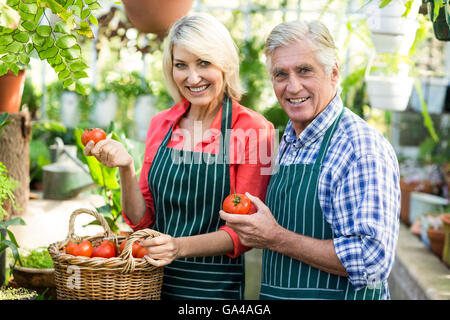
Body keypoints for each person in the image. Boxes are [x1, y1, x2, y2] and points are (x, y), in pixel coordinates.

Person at [84, 13, 274, 300]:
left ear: (225, 64)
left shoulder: (253, 129)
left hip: (211, 290)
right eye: (181, 65)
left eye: (204, 63)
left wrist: (178, 247)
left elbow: (244, 233)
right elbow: (142, 220)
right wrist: (126, 167)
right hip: (148, 284)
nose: (192, 77)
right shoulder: (162, 123)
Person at [220, 20, 401, 300]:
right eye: (281, 74)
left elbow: (371, 260)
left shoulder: (359, 147)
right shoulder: (289, 142)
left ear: (333, 73)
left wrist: (276, 237)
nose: (293, 87)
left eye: (305, 70)